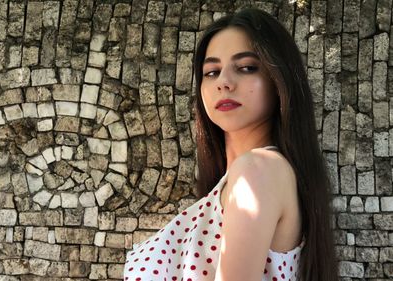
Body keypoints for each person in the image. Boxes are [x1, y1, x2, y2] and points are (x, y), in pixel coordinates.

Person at [123, 7, 338, 281]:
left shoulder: (258, 170)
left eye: (247, 67)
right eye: (211, 72)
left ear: (278, 81)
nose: (224, 82)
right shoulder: (254, 175)